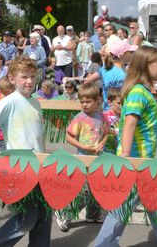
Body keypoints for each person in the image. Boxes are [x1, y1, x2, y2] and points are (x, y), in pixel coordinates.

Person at [94, 46, 157, 247]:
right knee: (121, 208)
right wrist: (125, 156)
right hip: (134, 161)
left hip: (141, 160)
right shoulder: (138, 93)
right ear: (145, 66)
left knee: (152, 200)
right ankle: (103, 245)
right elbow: (129, 124)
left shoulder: (141, 92)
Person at [0, 55, 51, 247]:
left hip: (39, 166)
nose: (29, 81)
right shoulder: (10, 101)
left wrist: (45, 159)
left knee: (44, 215)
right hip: (19, 168)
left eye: (32, 76)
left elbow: (37, 137)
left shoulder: (36, 103)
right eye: (24, 76)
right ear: (12, 79)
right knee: (28, 217)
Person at [56, 82, 108, 232]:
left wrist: (102, 142)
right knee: (84, 190)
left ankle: (93, 214)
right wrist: (84, 147)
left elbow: (106, 133)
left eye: (88, 101)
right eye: (82, 101)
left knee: (96, 187)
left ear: (97, 100)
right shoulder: (80, 117)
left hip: (98, 158)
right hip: (84, 159)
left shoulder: (101, 116)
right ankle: (64, 213)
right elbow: (69, 137)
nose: (84, 105)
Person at [103, 88, 122, 153]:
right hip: (107, 153)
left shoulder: (125, 117)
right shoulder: (104, 116)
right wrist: (113, 132)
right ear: (109, 102)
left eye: (124, 103)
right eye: (119, 103)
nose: (121, 106)